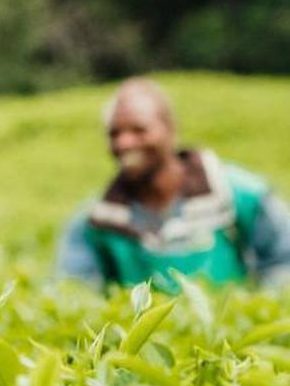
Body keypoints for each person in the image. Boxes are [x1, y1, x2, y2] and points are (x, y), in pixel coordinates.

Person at [56, 77, 290, 289]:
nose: (125, 142)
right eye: (114, 134)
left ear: (170, 130)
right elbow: (72, 289)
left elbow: (283, 262)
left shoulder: (240, 194)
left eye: (139, 130)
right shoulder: (96, 220)